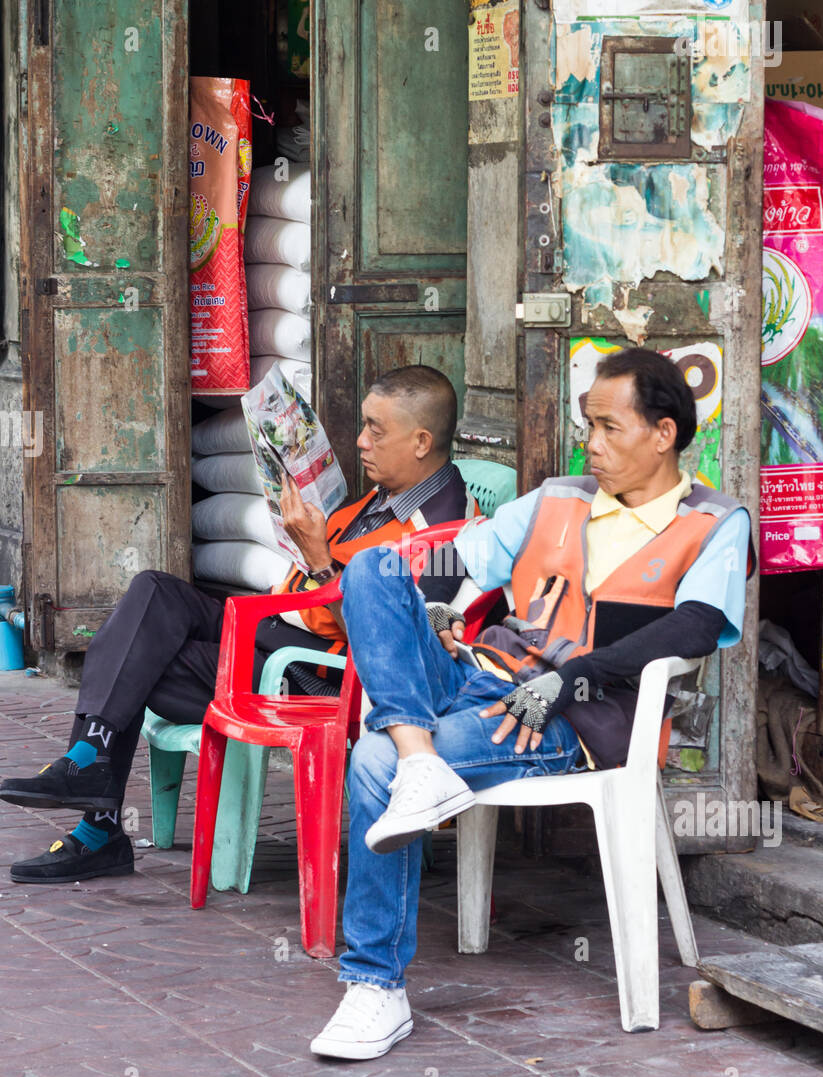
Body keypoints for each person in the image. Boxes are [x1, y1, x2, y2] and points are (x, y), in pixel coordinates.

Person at [309, 348, 754, 1060]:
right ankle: (419, 759)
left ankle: (375, 987)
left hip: (570, 714)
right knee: (375, 564)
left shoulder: (714, 522)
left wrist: (573, 679)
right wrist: (437, 603)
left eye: (610, 428)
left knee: (372, 756)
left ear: (663, 433)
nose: (592, 444)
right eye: (588, 425)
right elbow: (465, 556)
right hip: (485, 673)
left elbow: (695, 626)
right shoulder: (559, 497)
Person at [2, 365, 474, 885]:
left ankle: (98, 823)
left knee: (135, 660)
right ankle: (87, 758)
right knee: (153, 593)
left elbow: (393, 645)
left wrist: (319, 560)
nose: (360, 441)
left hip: (313, 674)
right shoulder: (381, 498)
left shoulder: (445, 532)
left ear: (422, 441)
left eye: (375, 430)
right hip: (273, 631)